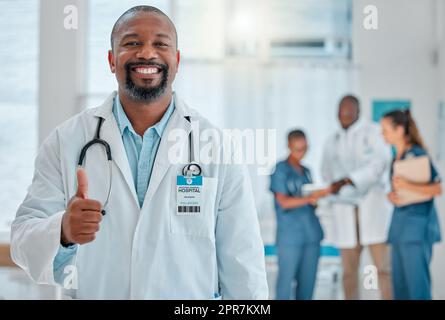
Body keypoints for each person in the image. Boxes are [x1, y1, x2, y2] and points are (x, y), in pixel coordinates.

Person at [10, 6, 268, 299]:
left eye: (160, 43)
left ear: (177, 60)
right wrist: (63, 231)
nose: (147, 53)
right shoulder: (66, 141)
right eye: (132, 43)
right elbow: (22, 240)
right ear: (111, 60)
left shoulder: (216, 146)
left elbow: (243, 263)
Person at [321, 95, 393, 300]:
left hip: (372, 208)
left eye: (348, 111)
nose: (343, 116)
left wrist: (348, 181)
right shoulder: (331, 140)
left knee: (383, 269)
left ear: (358, 112)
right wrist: (337, 184)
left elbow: (379, 164)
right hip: (345, 210)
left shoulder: (373, 132)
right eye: (340, 112)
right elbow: (326, 171)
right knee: (349, 272)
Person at [381, 109, 442, 300]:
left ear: (399, 130)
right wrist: (393, 196)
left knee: (417, 289)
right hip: (400, 229)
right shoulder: (395, 158)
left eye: (385, 130)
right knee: (400, 288)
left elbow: (436, 189)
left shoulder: (417, 154)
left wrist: (408, 185)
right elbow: (406, 193)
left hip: (416, 231)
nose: (382, 134)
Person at [270, 129, 330, 300]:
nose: (301, 153)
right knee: (285, 282)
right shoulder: (280, 170)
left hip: (311, 234)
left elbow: (309, 200)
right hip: (290, 237)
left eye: (304, 149)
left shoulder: (307, 171)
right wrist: (310, 199)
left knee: (308, 284)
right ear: (289, 146)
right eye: (297, 149)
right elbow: (283, 202)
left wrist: (316, 199)